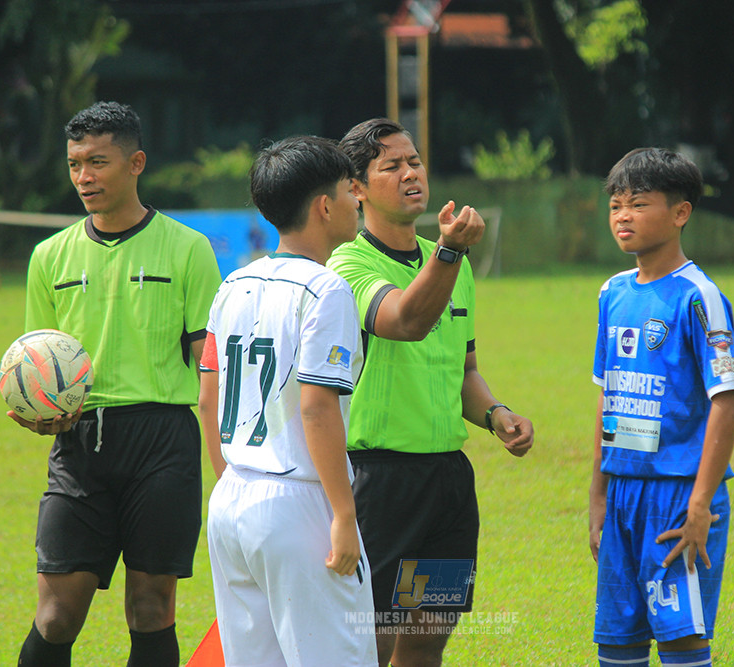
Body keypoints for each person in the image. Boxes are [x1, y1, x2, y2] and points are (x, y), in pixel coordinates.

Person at [11, 101, 221, 666]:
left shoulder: (188, 248)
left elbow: (210, 359)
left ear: (136, 163)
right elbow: (38, 360)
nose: (84, 177)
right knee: (55, 616)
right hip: (78, 444)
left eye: (98, 162)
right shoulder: (47, 256)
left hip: (163, 442)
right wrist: (37, 411)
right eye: (75, 163)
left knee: (151, 608)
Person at [327, 118, 534, 667]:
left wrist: (495, 413)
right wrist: (448, 254)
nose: (410, 173)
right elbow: (405, 319)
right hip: (378, 481)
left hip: (445, 483)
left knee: (424, 641)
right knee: (371, 640)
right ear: (357, 188)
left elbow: (464, 371)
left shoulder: (451, 262)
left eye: (413, 161)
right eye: (390, 166)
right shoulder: (348, 263)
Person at [197, 135, 377, 665]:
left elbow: (208, 399)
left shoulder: (233, 282)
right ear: (325, 206)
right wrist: (343, 515)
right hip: (298, 503)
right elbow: (317, 406)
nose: (357, 201)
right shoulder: (327, 289)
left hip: (231, 501)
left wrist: (228, 483)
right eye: (351, 190)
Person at [589, 147, 734, 667]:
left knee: (681, 641)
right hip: (623, 494)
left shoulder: (699, 296)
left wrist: (700, 505)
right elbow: (606, 397)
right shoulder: (611, 293)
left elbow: (728, 400)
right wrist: (598, 499)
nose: (623, 216)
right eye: (616, 205)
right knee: (617, 642)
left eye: (638, 204)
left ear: (681, 212)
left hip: (678, 495)